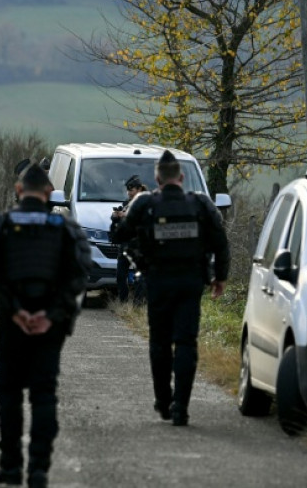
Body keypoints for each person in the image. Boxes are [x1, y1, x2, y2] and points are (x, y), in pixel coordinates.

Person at [0, 163, 92, 488]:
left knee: (9, 396)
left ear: (18, 190)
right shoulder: (66, 228)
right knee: (44, 395)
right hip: (49, 326)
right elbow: (79, 276)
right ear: (49, 194)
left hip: (11, 324)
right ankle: (39, 469)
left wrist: (13, 312)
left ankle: (10, 467)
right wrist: (50, 316)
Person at [111, 150, 230, 426]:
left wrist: (120, 220)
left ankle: (164, 400)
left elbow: (120, 236)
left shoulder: (144, 204)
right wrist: (220, 277)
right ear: (182, 177)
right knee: (186, 342)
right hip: (190, 283)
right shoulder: (200, 205)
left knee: (160, 342)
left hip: (158, 281)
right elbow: (220, 243)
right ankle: (181, 408)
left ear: (156, 178)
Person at [110, 174, 148, 303]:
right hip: (125, 244)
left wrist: (125, 215)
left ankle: (138, 304)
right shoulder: (126, 203)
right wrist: (116, 215)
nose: (128, 193)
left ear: (138, 189)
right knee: (120, 276)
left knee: (140, 276)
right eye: (127, 190)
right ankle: (123, 301)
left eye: (131, 190)